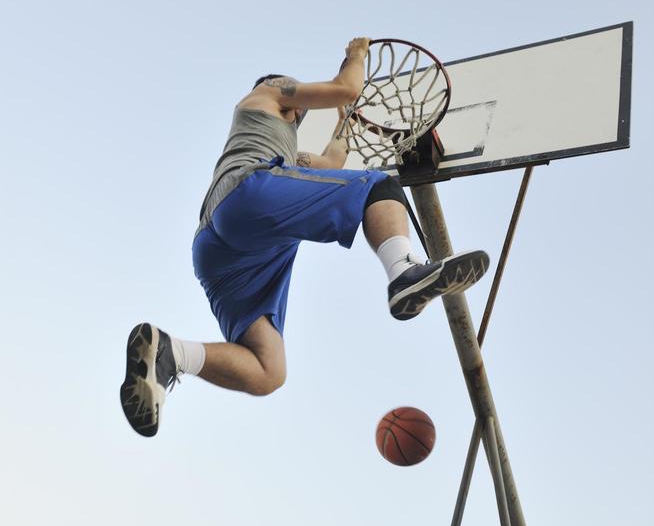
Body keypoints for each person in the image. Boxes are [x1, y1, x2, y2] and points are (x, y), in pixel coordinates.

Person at [120, 38, 488, 437]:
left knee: (268, 370)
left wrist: (345, 121)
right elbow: (345, 87)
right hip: (246, 197)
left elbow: (332, 162)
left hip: (219, 250)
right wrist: (356, 57)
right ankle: (403, 271)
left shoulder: (284, 152)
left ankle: (171, 354)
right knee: (378, 187)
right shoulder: (265, 93)